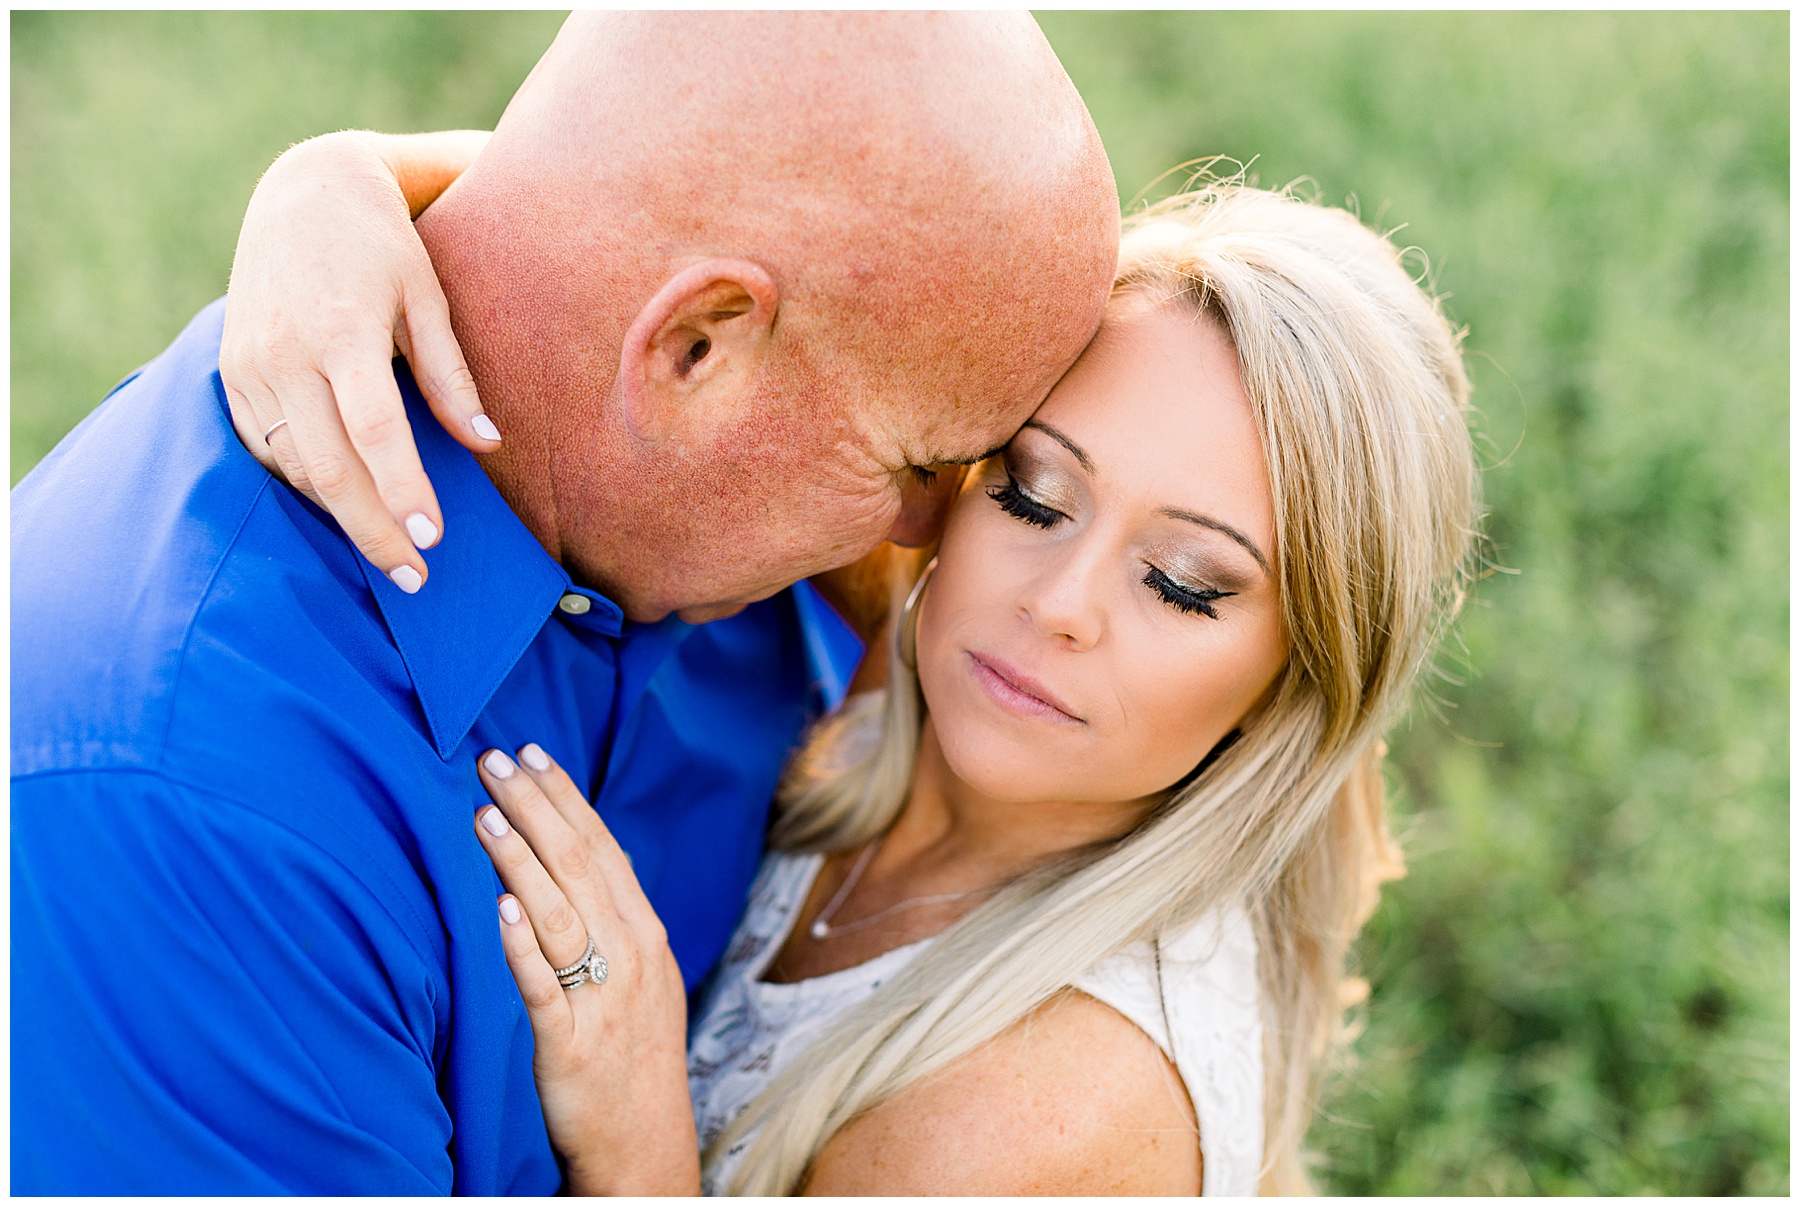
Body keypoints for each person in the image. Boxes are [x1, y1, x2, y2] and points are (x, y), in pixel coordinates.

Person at [10, 14, 1118, 1194]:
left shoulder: (688, 493)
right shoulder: (192, 821)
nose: (933, 539)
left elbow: (629, 198)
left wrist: (350, 172)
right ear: (694, 352)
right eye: (915, 468)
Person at [248, 179, 1481, 1192]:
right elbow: (645, 215)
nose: (1059, 600)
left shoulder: (1029, 1117)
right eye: (1036, 492)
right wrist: (333, 192)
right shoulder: (941, 619)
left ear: (1298, 677)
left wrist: (638, 1145)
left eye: (1184, 585)